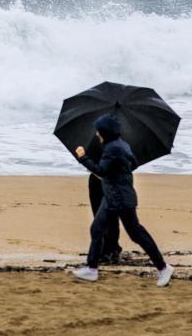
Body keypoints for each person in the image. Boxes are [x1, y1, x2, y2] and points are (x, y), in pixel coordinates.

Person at [72, 114, 173, 286]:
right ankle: (91, 268)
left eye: (98, 131)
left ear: (105, 132)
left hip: (120, 198)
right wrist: (116, 172)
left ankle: (163, 268)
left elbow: (101, 171)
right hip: (111, 196)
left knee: (136, 234)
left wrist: (83, 157)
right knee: (97, 229)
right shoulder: (123, 145)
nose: (96, 134)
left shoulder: (112, 148)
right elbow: (133, 164)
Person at [84, 133, 122, 264]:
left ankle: (107, 250)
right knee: (112, 217)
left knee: (100, 217)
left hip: (100, 181)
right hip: (115, 182)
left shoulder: (96, 140)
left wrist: (82, 157)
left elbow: (93, 166)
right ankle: (113, 248)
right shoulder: (122, 143)